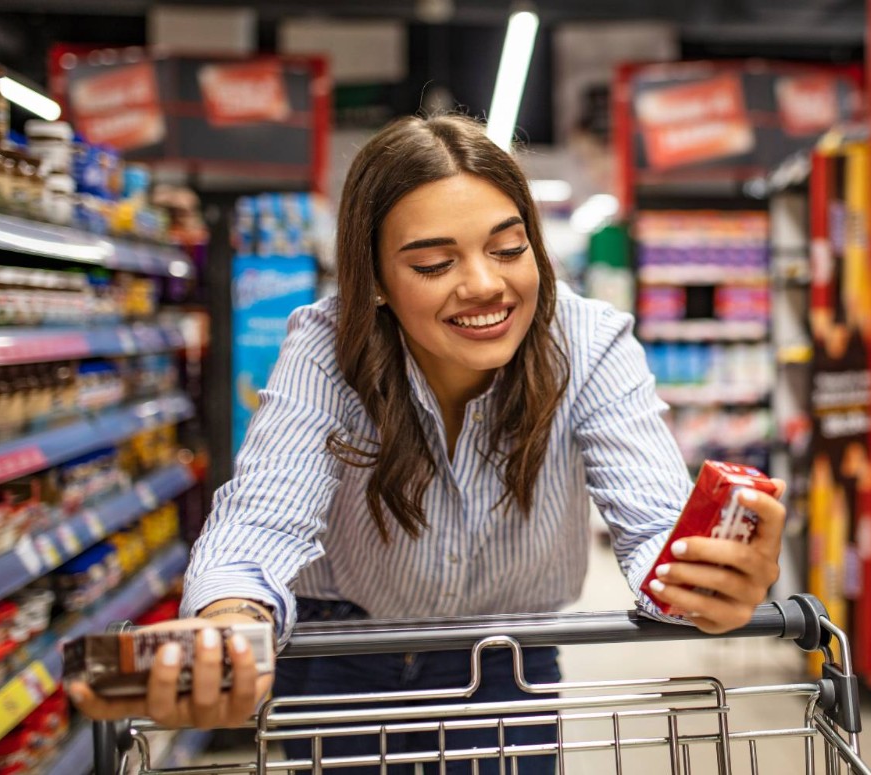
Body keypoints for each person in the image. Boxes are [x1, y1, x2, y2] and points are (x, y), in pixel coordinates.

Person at [68, 114, 787, 773]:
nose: (485, 285)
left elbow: (654, 521)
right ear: (374, 278)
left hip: (505, 660)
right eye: (433, 264)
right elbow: (261, 516)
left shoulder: (591, 344)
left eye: (510, 248)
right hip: (338, 657)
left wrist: (699, 579)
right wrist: (227, 624)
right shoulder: (327, 346)